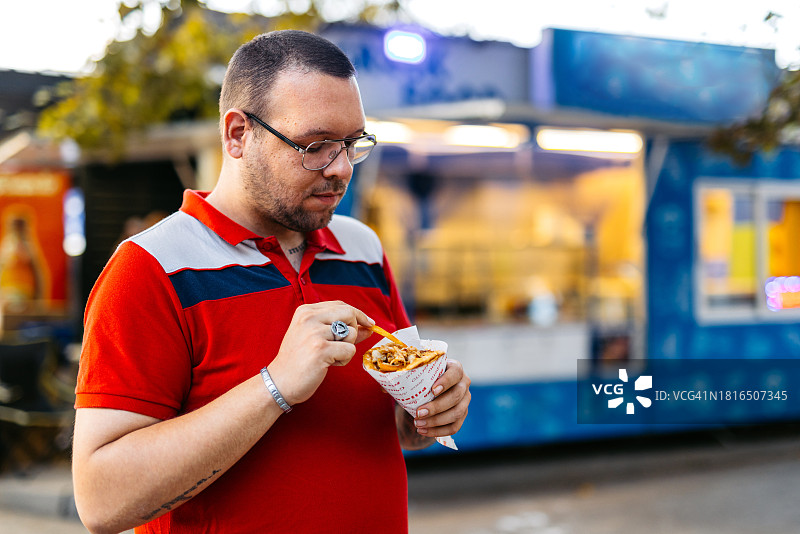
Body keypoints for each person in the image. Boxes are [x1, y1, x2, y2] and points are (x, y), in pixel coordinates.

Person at [72, 29, 471, 534]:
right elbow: (101, 501)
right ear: (238, 134)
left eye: (352, 144)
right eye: (316, 146)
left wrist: (429, 411)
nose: (341, 168)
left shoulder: (363, 249)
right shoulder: (150, 269)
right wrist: (275, 386)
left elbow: (389, 427)